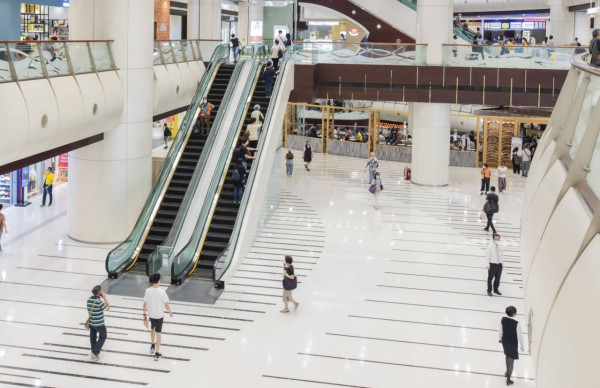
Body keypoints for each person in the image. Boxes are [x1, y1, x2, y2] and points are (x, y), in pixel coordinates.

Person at [143, 273, 173, 361]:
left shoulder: (148, 290)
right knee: (158, 333)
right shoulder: (162, 292)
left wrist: (144, 313)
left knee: (152, 329)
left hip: (151, 314)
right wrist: (170, 312)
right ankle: (157, 353)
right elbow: (166, 304)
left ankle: (152, 345)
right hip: (159, 315)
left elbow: (145, 303)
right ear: (159, 280)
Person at [499, 306, 525, 386]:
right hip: (512, 343)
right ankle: (508, 379)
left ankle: (507, 372)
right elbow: (520, 336)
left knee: (507, 355)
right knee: (511, 360)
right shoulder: (516, 324)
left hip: (505, 341)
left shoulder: (503, 319)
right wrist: (522, 345)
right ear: (513, 314)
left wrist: (500, 338)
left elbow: (500, 330)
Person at [87, 285, 110, 361]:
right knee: (103, 336)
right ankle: (95, 352)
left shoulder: (89, 300)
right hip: (99, 323)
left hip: (91, 322)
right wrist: (104, 298)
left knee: (93, 337)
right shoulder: (99, 302)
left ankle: (93, 351)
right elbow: (108, 307)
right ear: (99, 292)